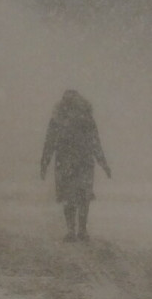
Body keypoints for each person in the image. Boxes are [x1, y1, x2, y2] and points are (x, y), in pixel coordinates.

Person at [41, 89, 111, 242]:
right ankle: (79, 231)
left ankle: (74, 231)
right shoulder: (84, 117)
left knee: (71, 197)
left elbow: (49, 143)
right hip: (81, 162)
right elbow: (95, 142)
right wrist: (103, 163)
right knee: (81, 197)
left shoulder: (59, 118)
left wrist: (44, 164)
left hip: (68, 162)